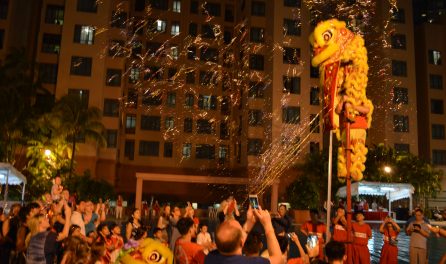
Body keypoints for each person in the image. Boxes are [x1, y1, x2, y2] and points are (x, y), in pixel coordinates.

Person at [204, 206, 283, 264]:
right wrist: (268, 225)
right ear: (242, 242)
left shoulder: (210, 258)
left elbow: (237, 240)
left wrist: (249, 222)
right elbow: (278, 259)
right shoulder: (251, 262)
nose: (243, 230)